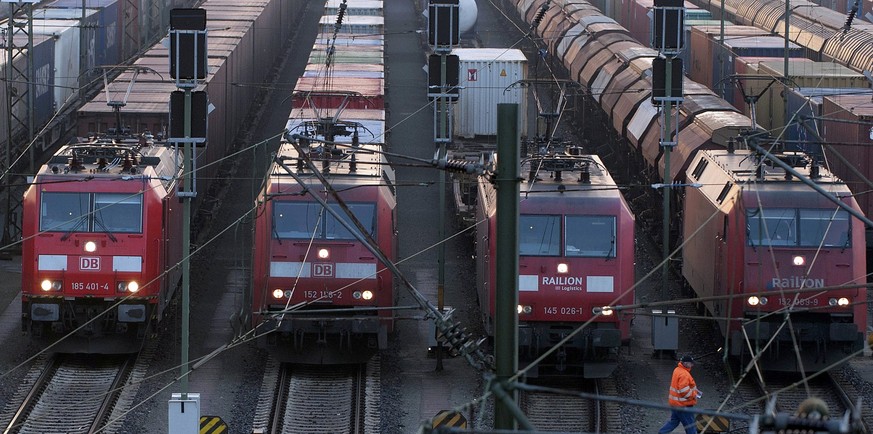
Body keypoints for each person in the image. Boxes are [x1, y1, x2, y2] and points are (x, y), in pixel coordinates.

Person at [658, 354, 701, 434]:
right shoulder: (684, 374)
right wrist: (694, 394)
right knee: (690, 425)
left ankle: (662, 432)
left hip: (675, 404)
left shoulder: (677, 370)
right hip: (684, 405)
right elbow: (684, 391)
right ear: (686, 363)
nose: (692, 365)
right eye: (691, 363)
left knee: (674, 422)